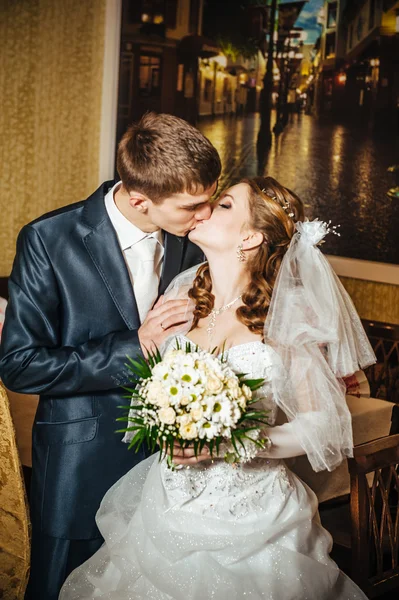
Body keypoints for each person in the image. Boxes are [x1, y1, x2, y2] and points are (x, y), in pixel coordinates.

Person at [59, 176, 375, 599]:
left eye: (224, 204)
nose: (204, 209)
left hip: (252, 514)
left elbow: (322, 426)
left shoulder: (287, 313)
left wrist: (237, 442)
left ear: (251, 237)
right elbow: (148, 393)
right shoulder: (184, 295)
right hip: (167, 499)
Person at [0, 112, 221, 600]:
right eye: (193, 206)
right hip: (82, 463)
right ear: (141, 199)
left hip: (172, 470)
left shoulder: (193, 243)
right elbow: (20, 364)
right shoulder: (49, 240)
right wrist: (134, 343)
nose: (206, 215)